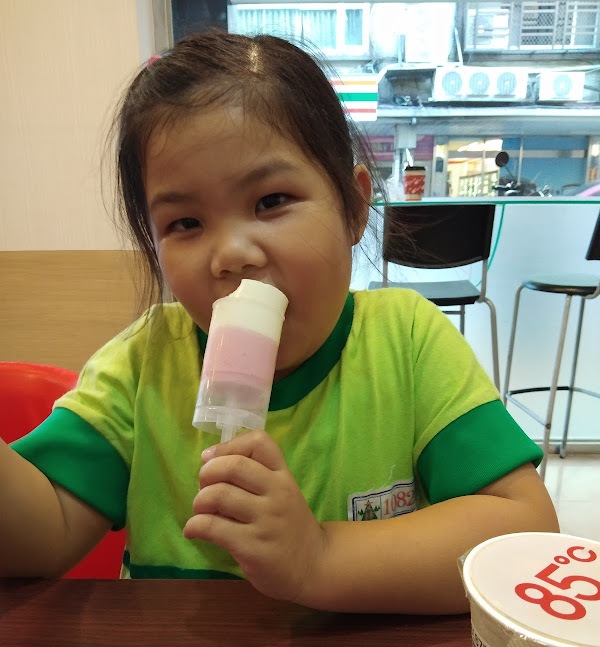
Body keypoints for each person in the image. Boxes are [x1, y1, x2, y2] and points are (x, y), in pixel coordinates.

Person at [1, 31, 558, 612]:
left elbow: (524, 532)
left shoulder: (407, 342)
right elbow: (45, 530)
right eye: (185, 223)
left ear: (353, 207)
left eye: (271, 201)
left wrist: (319, 556)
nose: (231, 254)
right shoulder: (143, 365)